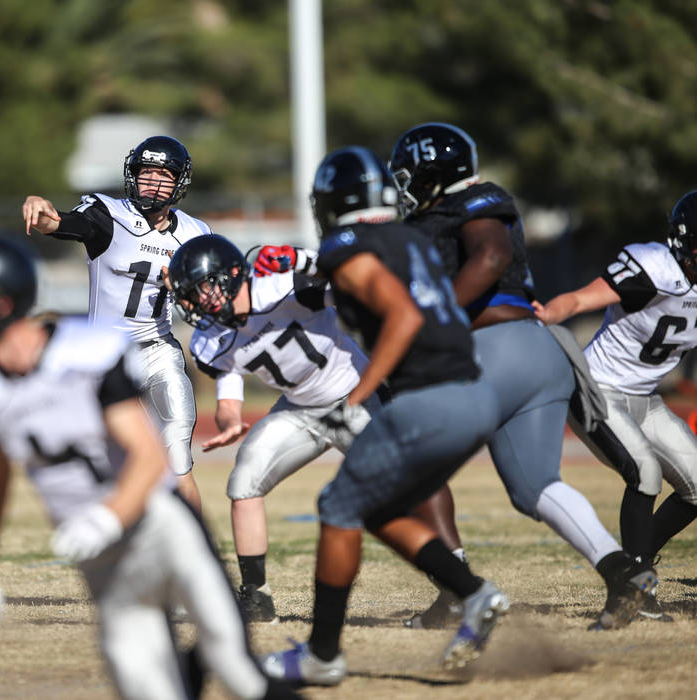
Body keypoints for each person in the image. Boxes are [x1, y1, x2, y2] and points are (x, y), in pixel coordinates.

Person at [0, 236, 299, 700]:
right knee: (148, 690)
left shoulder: (89, 352)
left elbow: (147, 457)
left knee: (237, 669)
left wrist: (106, 517)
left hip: (160, 526)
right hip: (102, 560)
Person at [387, 122, 656, 631]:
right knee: (534, 487)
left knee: (412, 463)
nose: (405, 188)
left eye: (409, 176)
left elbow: (491, 255)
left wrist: (436, 319)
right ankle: (621, 571)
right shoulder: (442, 216)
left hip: (495, 349)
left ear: (428, 174)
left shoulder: (474, 200)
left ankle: (457, 591)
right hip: (538, 355)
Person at [260, 146, 505, 686]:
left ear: (330, 202)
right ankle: (473, 593)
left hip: (428, 398)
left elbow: (402, 316)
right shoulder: (412, 239)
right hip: (474, 393)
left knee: (337, 505)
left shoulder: (348, 246)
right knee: (374, 507)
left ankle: (322, 655)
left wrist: (354, 401)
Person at [165, 233, 376, 622]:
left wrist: (303, 260)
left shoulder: (281, 288)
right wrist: (229, 423)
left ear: (230, 275)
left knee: (403, 485)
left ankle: (454, 580)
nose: (198, 302)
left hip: (356, 396)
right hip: (300, 409)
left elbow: (355, 280)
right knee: (245, 480)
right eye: (190, 295)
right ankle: (256, 597)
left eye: (203, 288)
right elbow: (229, 394)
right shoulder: (210, 341)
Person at [532, 189, 697, 621]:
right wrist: (548, 313)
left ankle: (634, 566)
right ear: (683, 241)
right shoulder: (653, 266)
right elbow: (583, 299)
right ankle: (634, 589)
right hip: (596, 389)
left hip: (646, 397)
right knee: (644, 473)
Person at [22, 136, 209, 511]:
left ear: (179, 183)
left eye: (163, 175)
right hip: (104, 358)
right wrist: (40, 210)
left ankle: (197, 555)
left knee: (178, 464)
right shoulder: (108, 215)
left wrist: (191, 297)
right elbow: (60, 223)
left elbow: (206, 305)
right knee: (110, 463)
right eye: (146, 173)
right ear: (132, 176)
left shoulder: (195, 234)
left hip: (159, 352)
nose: (152, 182)